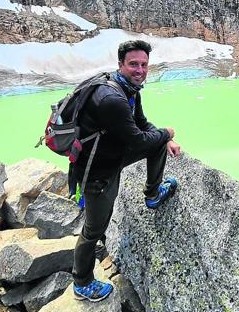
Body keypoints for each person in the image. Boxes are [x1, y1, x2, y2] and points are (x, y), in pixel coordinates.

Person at [71, 39, 181, 302]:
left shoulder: (129, 89)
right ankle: (81, 281)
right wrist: (167, 133)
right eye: (133, 64)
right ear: (120, 64)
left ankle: (152, 194)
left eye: (144, 64)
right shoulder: (112, 99)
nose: (140, 69)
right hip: (98, 171)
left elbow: (141, 124)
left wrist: (164, 139)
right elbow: (139, 140)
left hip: (113, 154)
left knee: (157, 143)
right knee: (94, 230)